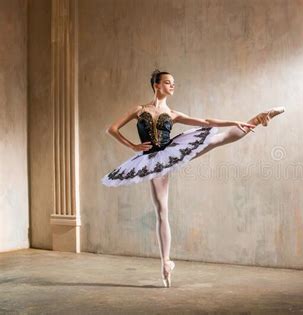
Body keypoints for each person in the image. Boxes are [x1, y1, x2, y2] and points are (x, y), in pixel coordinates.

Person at [101, 69, 285, 288]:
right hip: (152, 160)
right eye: (168, 82)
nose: (172, 86)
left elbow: (206, 121)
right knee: (162, 211)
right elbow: (112, 129)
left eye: (173, 83)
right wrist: (133, 146)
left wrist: (234, 121)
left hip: (172, 150)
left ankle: (257, 118)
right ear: (156, 85)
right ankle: (165, 263)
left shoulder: (174, 113)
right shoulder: (139, 110)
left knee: (217, 138)